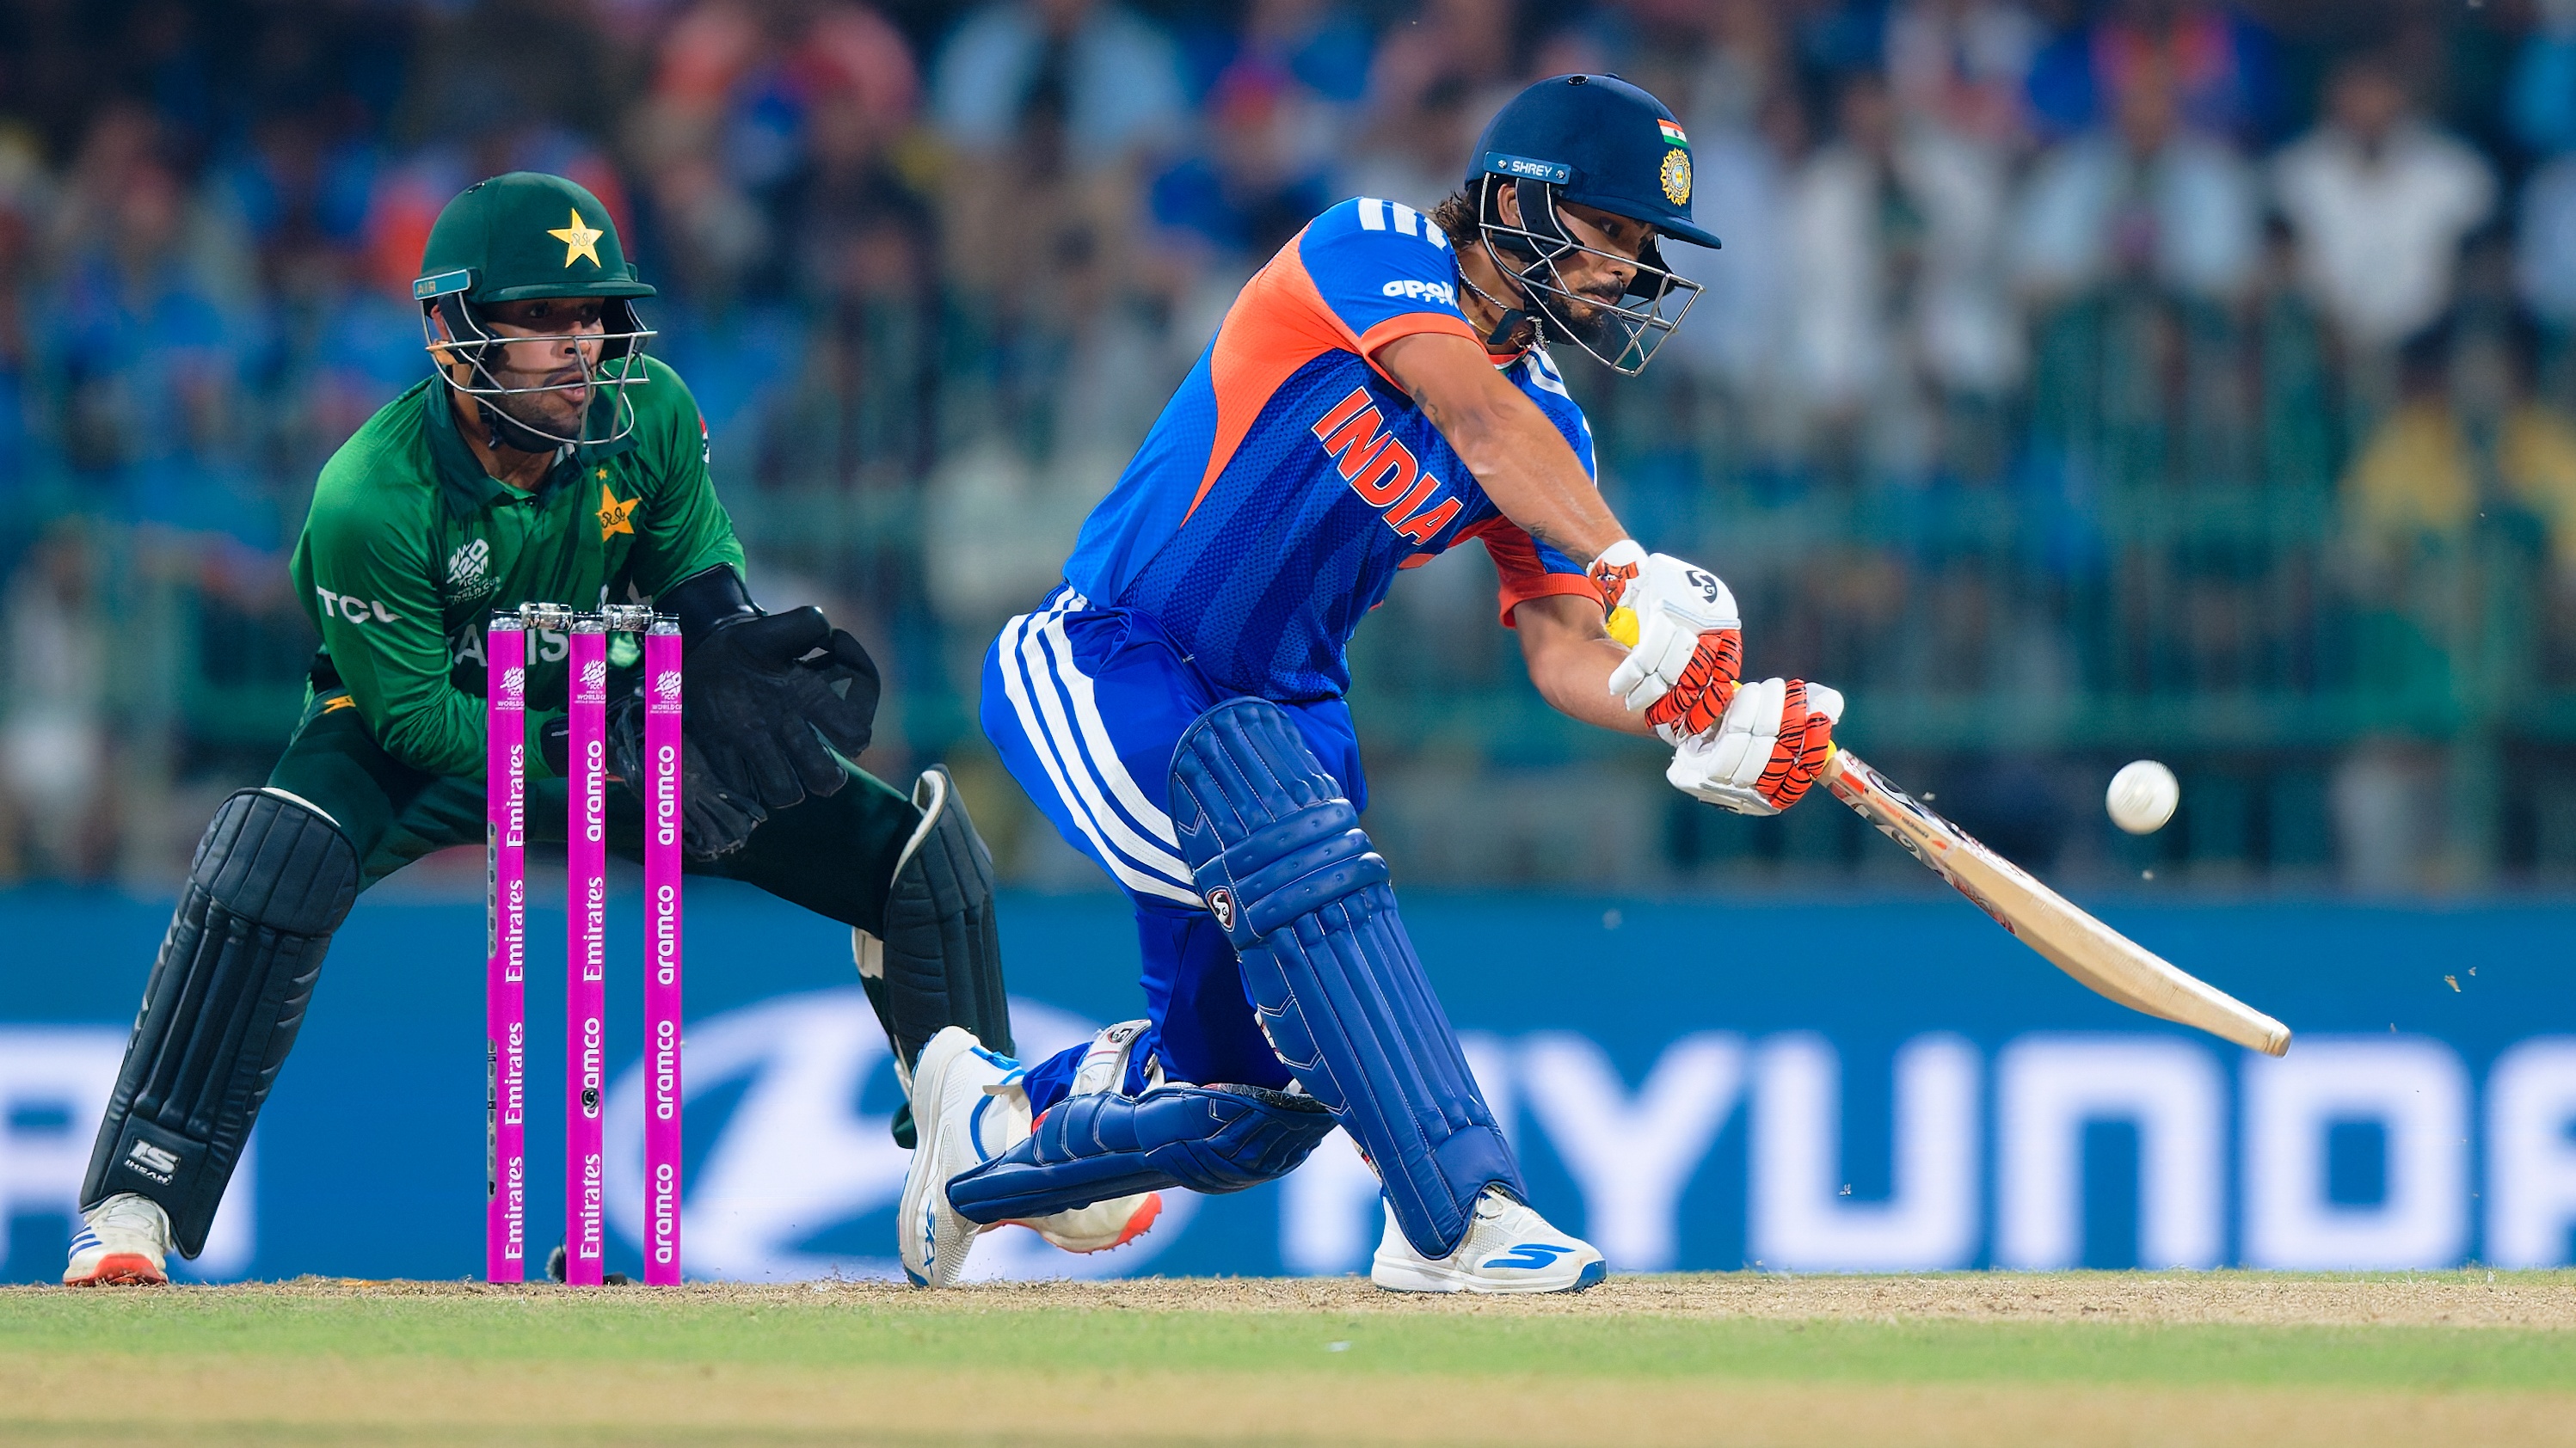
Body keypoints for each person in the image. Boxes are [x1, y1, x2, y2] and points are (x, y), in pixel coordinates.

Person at [60, 172, 1138, 1286]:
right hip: (417, 722)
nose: (579, 348)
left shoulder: (653, 412)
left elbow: (695, 578)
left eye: (593, 317)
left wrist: (734, 653)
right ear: (452, 331)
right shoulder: (367, 496)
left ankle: (998, 1158)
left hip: (616, 710)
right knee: (272, 854)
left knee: (918, 861)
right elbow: (421, 720)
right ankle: (136, 1197)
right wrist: (588, 770)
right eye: (540, 320)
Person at [900, 76, 1844, 1294]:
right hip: (1111, 661)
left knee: (1255, 1109)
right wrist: (1630, 567)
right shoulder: (1374, 246)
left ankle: (983, 1138)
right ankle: (1454, 1216)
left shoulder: (1555, 423)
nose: (1627, 270)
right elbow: (1471, 413)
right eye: (1610, 232)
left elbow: (1563, 650)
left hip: (1283, 726)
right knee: (1292, 858)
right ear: (1514, 202)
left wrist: (1694, 713)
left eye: (1640, 247)